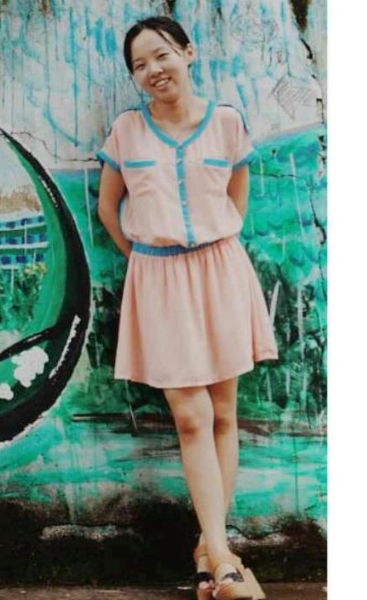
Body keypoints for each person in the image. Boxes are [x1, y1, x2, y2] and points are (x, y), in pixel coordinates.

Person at [96, 15, 277, 600]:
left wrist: (210, 248)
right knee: (191, 417)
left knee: (224, 413)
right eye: (139, 65)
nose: (153, 70)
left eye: (161, 55)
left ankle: (208, 553)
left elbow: (236, 197)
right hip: (159, 278)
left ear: (188, 53)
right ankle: (225, 562)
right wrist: (146, 261)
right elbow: (107, 209)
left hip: (221, 271)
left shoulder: (225, 123)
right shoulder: (127, 131)